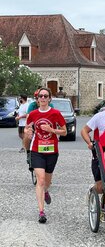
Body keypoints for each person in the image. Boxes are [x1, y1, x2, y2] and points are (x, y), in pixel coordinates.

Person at [24, 87, 67, 223]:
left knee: (47, 182)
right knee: (40, 180)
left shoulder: (55, 113)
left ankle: (45, 191)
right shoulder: (33, 114)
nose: (43, 98)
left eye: (45, 96)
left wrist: (52, 130)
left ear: (49, 98)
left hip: (52, 151)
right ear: (37, 100)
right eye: (40, 96)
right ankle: (41, 212)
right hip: (37, 150)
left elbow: (65, 132)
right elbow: (27, 127)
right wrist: (27, 132)